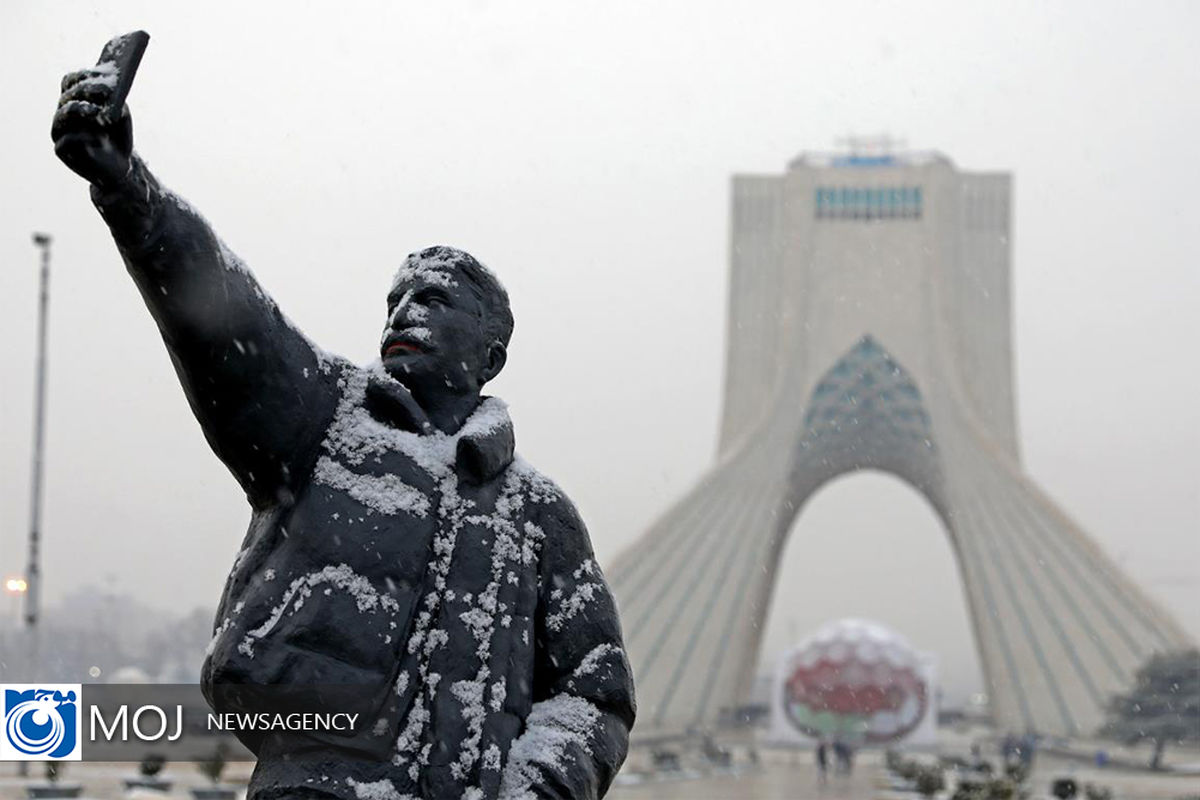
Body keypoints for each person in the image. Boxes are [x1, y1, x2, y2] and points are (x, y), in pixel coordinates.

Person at [51, 43, 635, 800]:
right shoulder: (323, 420)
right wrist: (129, 189)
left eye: (433, 299)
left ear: (490, 355)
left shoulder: (539, 515)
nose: (403, 312)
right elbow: (226, 317)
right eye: (395, 299)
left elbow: (595, 691)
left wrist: (536, 786)